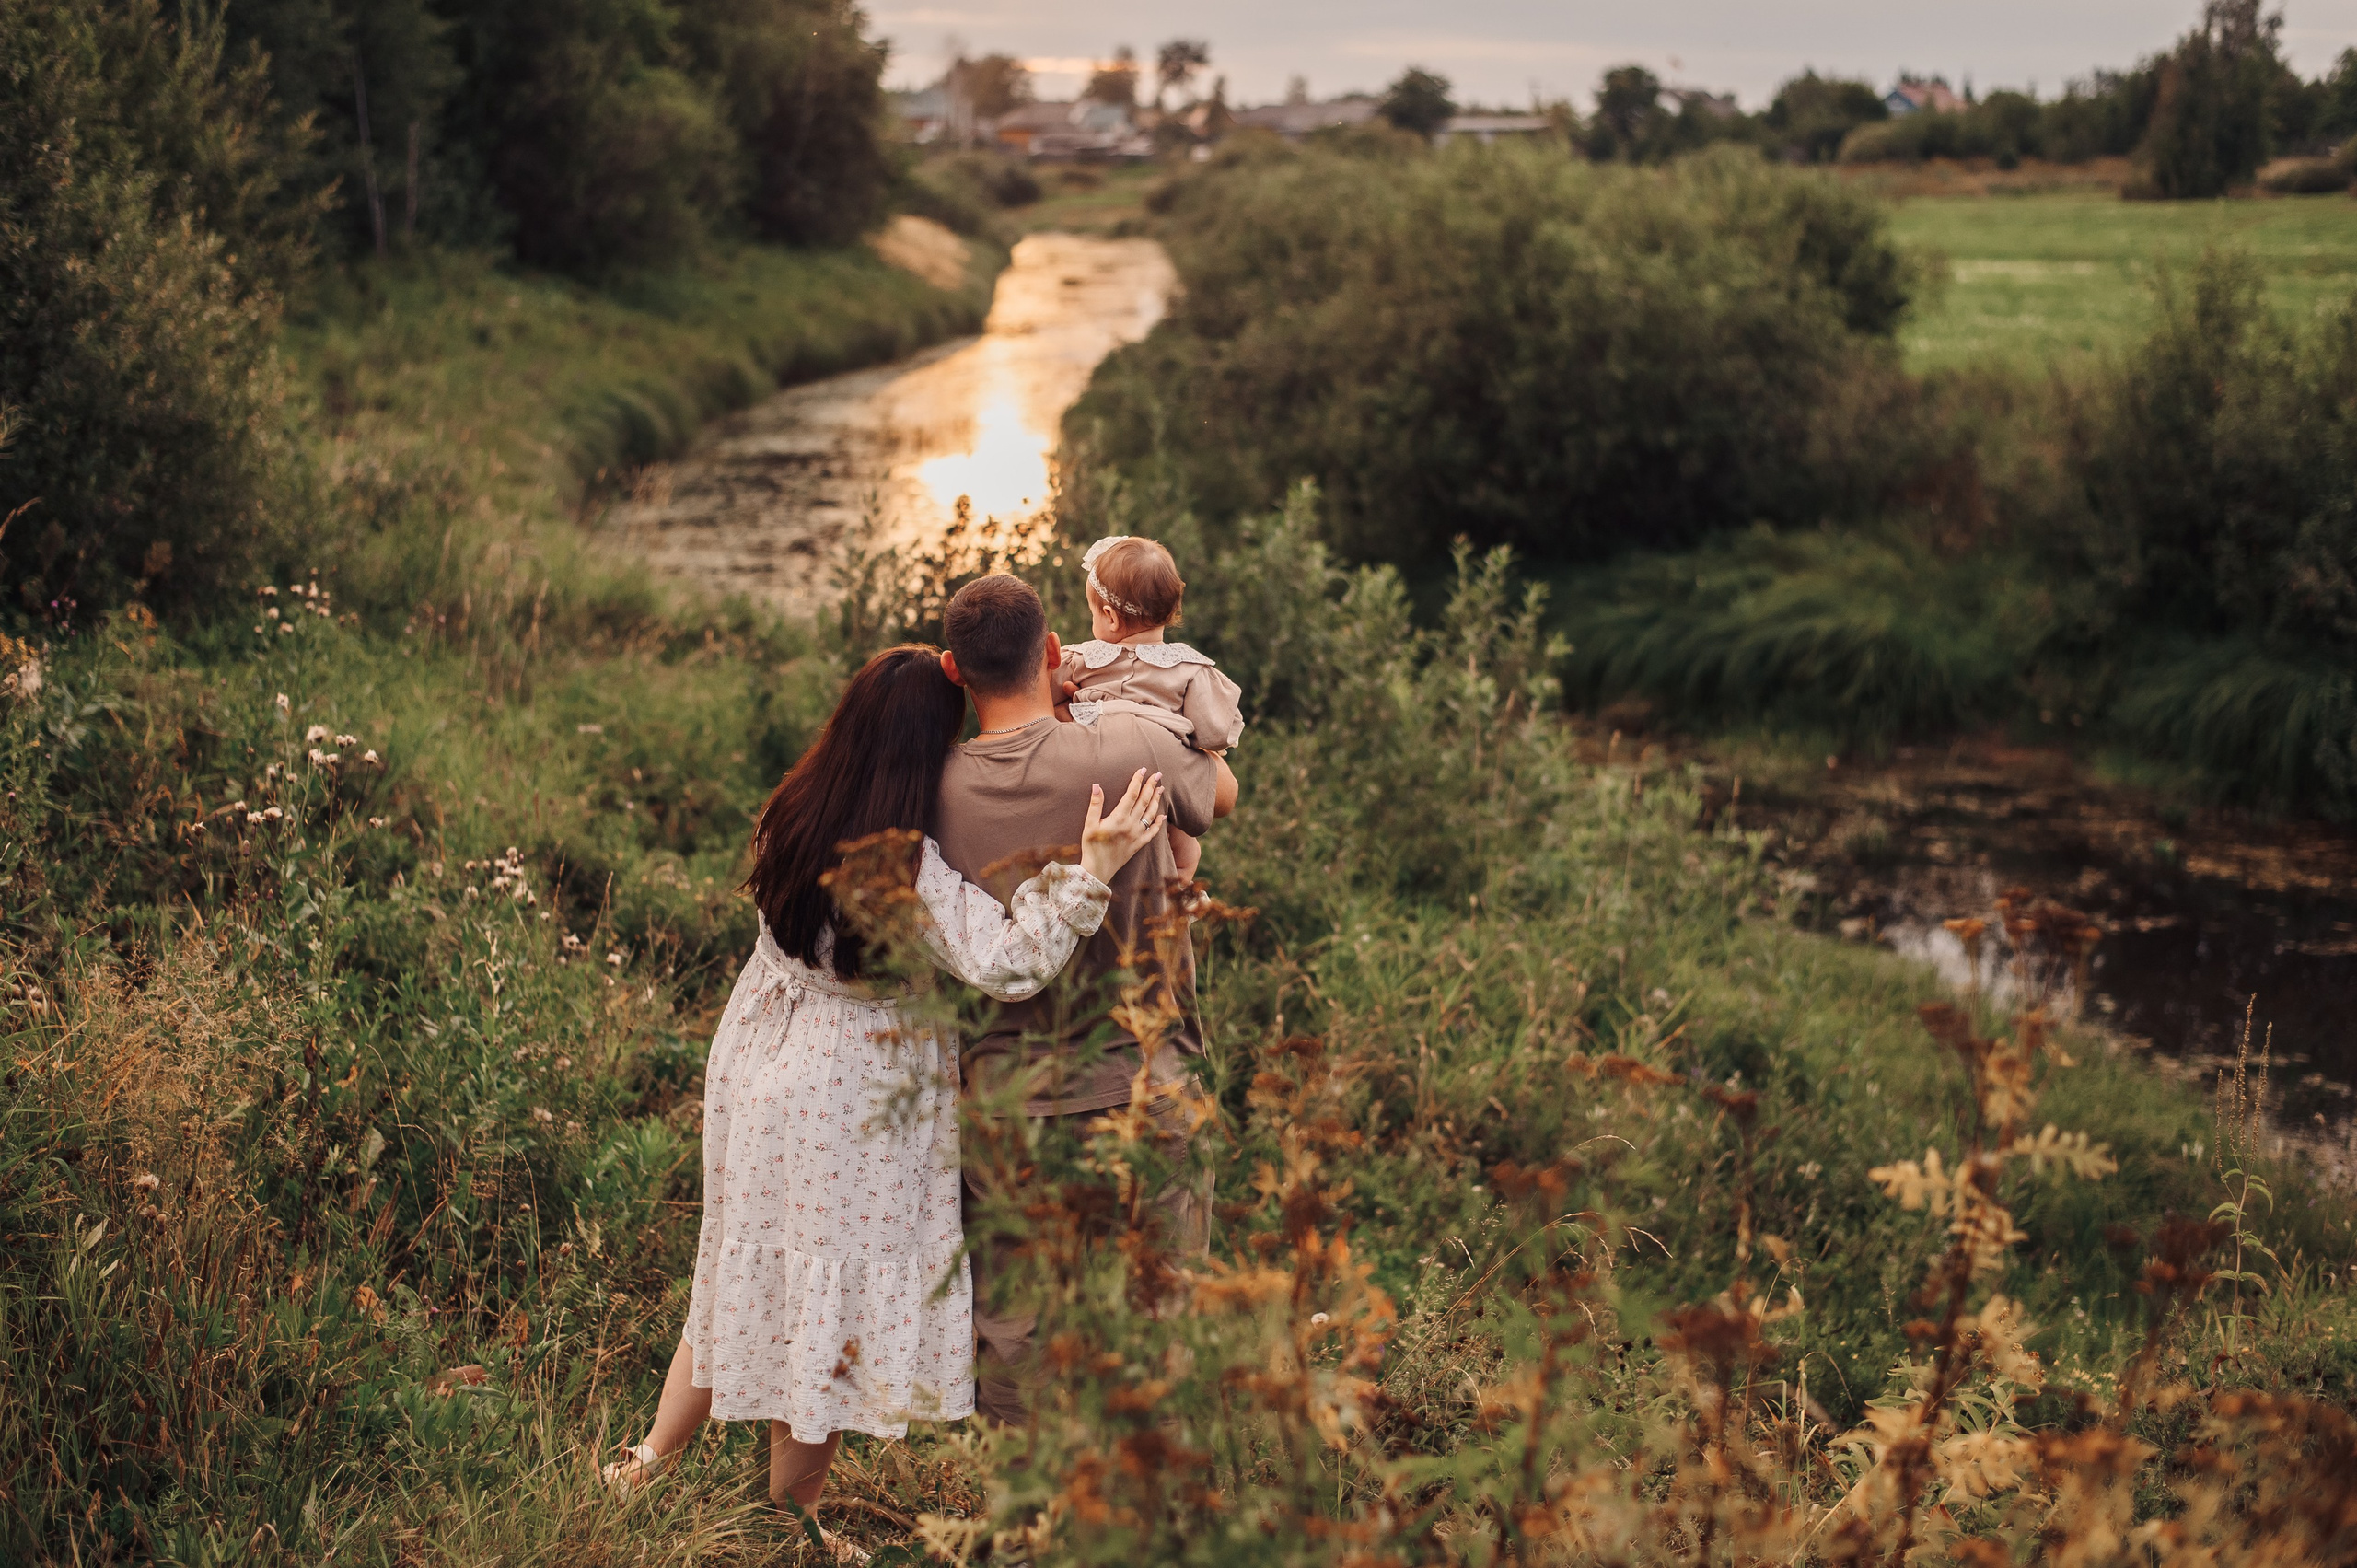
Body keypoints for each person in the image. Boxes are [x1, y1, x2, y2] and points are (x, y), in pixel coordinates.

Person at [598, 645, 1170, 1561]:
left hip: (763, 1060)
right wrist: (1091, 865)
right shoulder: (900, 869)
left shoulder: (794, 808)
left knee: (749, 1263)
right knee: (824, 1298)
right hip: (847, 1092)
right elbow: (1010, 962)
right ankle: (796, 1519)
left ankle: (648, 1459)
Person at [933, 573, 1237, 1425]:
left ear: (954, 670)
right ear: (1054, 650)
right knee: (1162, 1310)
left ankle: (1028, 1501)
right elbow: (1217, 793)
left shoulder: (932, 789)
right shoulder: (1128, 745)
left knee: (1017, 1331)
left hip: (1010, 1102)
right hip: (1147, 1079)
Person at [1054, 535, 1243, 884]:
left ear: (1109, 616)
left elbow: (1044, 695)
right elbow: (1213, 733)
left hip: (1095, 762)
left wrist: (1068, 707)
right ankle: (1178, 884)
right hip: (1162, 767)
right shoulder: (1189, 669)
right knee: (1181, 841)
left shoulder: (1083, 659)